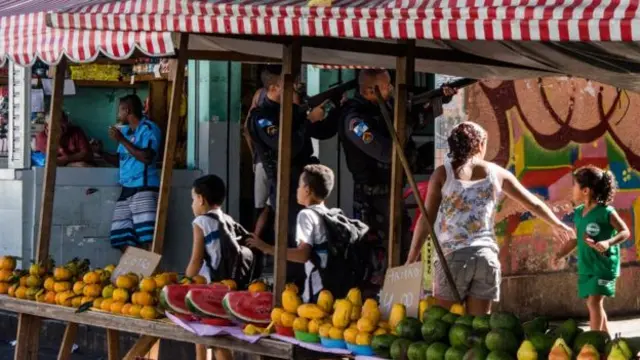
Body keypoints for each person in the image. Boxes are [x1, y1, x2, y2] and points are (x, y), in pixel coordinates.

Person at [406, 121, 575, 315]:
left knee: (444, 325)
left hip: (453, 258)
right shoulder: (497, 173)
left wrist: (412, 257)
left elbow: (426, 219)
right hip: (486, 258)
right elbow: (533, 203)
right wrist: (558, 223)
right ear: (479, 144)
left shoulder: (443, 174)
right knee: (479, 328)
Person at [247, 67, 334, 288]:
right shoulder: (262, 118)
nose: (295, 89)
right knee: (292, 236)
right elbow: (287, 146)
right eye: (289, 85)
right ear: (274, 88)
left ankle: (308, 285)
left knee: (312, 235)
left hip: (306, 183)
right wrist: (306, 120)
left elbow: (323, 132)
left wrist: (335, 108)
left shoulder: (291, 111)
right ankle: (290, 286)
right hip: (287, 185)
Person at [557, 166, 630, 332]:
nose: (572, 189)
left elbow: (625, 231)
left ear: (586, 191)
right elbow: (576, 239)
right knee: (595, 304)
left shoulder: (606, 212)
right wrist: (560, 254)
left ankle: (594, 342)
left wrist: (608, 243)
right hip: (587, 266)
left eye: (575, 185)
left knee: (594, 302)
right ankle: (605, 340)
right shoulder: (579, 212)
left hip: (604, 266)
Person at [248, 164, 334, 303]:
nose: (297, 190)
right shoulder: (329, 214)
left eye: (299, 186)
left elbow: (303, 254)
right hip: (331, 287)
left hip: (317, 290)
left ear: (307, 190)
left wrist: (267, 248)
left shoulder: (306, 215)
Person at [93, 95, 162, 250]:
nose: (118, 115)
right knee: (121, 237)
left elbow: (147, 157)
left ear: (127, 110)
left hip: (144, 187)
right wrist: (101, 152)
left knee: (148, 237)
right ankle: (133, 273)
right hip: (126, 189)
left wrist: (121, 139)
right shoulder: (127, 132)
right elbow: (120, 160)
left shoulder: (149, 129)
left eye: (120, 111)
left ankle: (153, 274)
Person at [186, 174, 236, 360]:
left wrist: (185, 280)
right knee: (219, 336)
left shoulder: (201, 222)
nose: (192, 204)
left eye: (193, 199)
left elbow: (196, 260)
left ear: (201, 199)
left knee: (200, 333)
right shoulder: (227, 220)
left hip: (206, 286)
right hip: (226, 286)